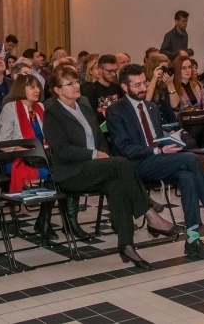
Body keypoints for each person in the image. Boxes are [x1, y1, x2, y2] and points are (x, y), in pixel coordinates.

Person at [42, 66, 180, 270]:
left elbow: (99, 137)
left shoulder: (84, 104)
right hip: (71, 172)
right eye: (69, 84)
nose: (76, 86)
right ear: (57, 90)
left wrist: (102, 153)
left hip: (95, 166)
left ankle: (127, 245)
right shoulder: (52, 112)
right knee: (122, 163)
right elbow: (62, 150)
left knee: (117, 183)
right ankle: (150, 214)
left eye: (76, 81)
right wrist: (94, 155)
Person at [107, 64, 204, 258]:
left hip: (159, 159)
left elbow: (157, 135)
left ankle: (193, 239)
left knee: (188, 177)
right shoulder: (115, 110)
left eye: (144, 83)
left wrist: (170, 141)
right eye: (137, 85)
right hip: (135, 165)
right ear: (124, 87)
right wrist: (157, 149)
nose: (143, 88)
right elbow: (123, 147)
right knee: (190, 159)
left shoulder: (151, 107)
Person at [0, 74, 55, 240]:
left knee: (59, 172)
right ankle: (44, 221)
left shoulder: (41, 108)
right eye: (32, 87)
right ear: (21, 88)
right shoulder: (11, 108)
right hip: (18, 157)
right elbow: (4, 143)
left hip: (42, 156)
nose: (37, 90)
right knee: (54, 174)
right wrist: (28, 150)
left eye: (38, 86)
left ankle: (44, 219)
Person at [81, 54, 122, 123]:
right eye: (109, 71)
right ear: (99, 70)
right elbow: (90, 117)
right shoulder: (89, 91)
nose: (113, 74)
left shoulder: (118, 88)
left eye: (115, 71)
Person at [144, 53, 180, 124]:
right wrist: (154, 79)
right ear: (153, 69)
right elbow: (146, 102)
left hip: (170, 123)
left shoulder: (165, 84)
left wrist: (170, 85)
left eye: (166, 67)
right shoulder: (144, 83)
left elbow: (176, 106)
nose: (164, 71)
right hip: (153, 123)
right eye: (162, 68)